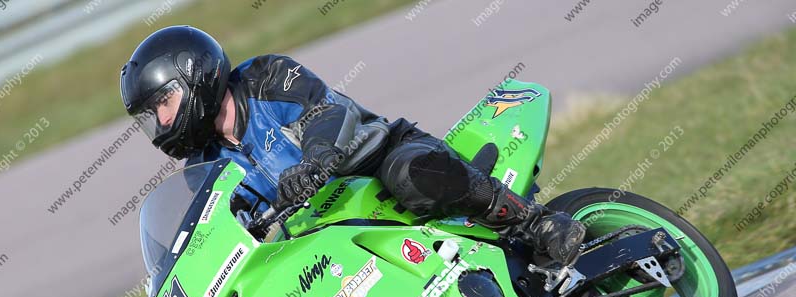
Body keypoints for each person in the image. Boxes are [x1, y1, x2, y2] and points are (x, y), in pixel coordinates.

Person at [120, 26, 585, 264]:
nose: (160, 123)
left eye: (162, 103)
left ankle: (538, 223)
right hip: (322, 224)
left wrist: (317, 159)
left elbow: (325, 111)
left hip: (374, 162)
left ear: (194, 74)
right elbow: (223, 220)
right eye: (149, 116)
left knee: (413, 176)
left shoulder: (265, 78)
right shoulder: (207, 162)